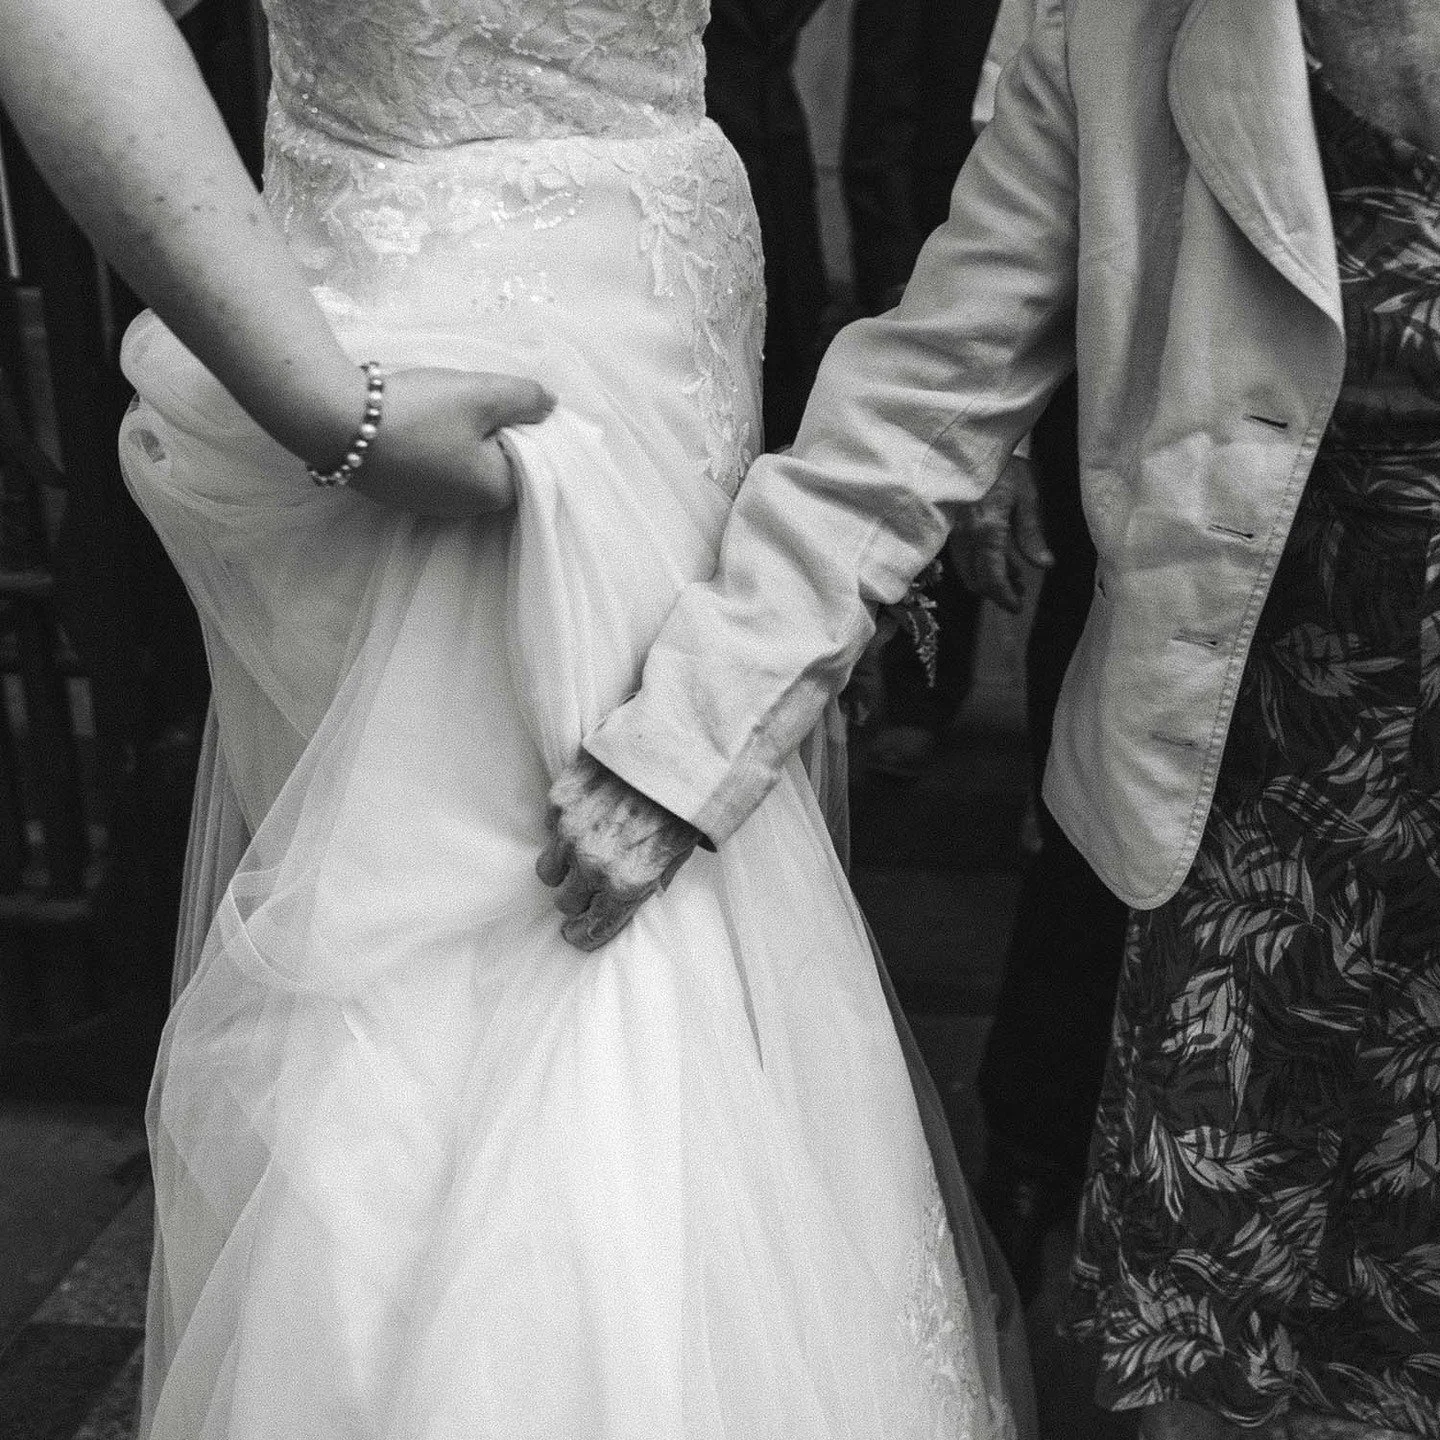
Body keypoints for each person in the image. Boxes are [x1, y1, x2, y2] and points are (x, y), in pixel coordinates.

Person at [0, 0, 1027, 1435]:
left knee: (659, 906)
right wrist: (325, 402)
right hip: (463, 374)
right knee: (527, 942)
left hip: (664, 311)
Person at [543, 0, 1440, 1436]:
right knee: (1229, 1360)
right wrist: (694, 733)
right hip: (1255, 793)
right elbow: (925, 392)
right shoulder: (1121, 30)